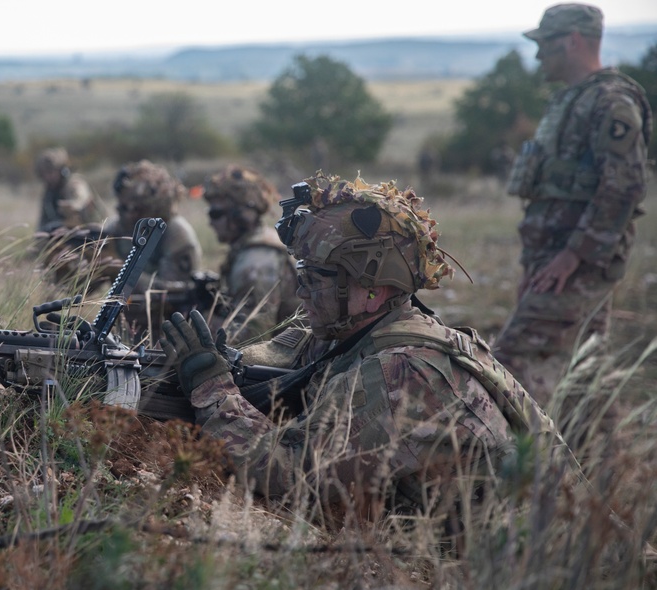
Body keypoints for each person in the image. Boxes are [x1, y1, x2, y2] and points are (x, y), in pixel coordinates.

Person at [159, 173, 561, 524]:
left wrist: (212, 387)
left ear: (373, 291)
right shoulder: (349, 332)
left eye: (316, 277)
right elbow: (278, 355)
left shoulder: (402, 371)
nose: (300, 289)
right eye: (302, 273)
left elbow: (290, 475)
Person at [495, 3, 652, 408]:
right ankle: (601, 468)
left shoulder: (612, 102)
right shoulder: (571, 100)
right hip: (552, 260)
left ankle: (510, 468)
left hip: (576, 265)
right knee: (583, 375)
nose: (538, 55)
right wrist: (539, 260)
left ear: (573, 41)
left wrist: (571, 255)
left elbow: (624, 187)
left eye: (545, 44)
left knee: (508, 366)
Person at [103, 160, 203, 340]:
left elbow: (175, 294)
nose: (128, 214)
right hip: (126, 331)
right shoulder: (117, 229)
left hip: (169, 336)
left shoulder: (175, 233)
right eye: (123, 207)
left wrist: (121, 270)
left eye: (137, 209)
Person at [202, 165, 300, 341]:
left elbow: (253, 337)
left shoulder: (255, 264)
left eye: (215, 213)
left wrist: (205, 325)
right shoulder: (256, 243)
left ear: (239, 215)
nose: (210, 222)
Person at [34, 147, 107, 233]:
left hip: (90, 233)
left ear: (62, 171)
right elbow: (43, 222)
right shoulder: (49, 193)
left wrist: (73, 206)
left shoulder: (74, 183)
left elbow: (81, 198)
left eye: (51, 172)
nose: (47, 177)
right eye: (44, 173)